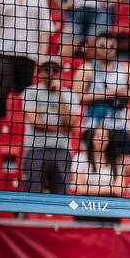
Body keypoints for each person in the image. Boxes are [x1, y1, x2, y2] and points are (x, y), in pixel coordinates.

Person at [72, 31, 130, 156]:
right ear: (96, 47)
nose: (107, 50)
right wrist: (105, 94)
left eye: (111, 47)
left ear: (116, 48)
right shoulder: (86, 69)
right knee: (95, 163)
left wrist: (122, 92)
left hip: (121, 127)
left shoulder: (126, 70)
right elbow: (76, 97)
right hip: (94, 127)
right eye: (102, 46)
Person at [21, 57, 80, 195]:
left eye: (55, 70)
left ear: (61, 73)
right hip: (35, 150)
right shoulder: (30, 92)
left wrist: (60, 94)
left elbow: (70, 122)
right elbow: (35, 122)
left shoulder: (70, 95)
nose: (51, 73)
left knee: (61, 196)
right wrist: (64, 129)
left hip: (62, 151)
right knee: (31, 194)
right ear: (40, 72)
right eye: (47, 70)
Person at [0, 0, 53, 119]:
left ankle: (24, 125)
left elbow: (45, 29)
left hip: (28, 54)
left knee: (25, 92)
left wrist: (41, 57)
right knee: (2, 88)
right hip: (3, 52)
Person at [71, 125, 124, 197]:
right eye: (98, 136)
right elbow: (80, 189)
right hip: (87, 201)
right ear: (91, 138)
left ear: (109, 140)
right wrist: (111, 189)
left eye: (104, 137)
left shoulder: (116, 161)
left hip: (109, 202)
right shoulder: (80, 159)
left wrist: (89, 188)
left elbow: (119, 191)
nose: (101, 139)